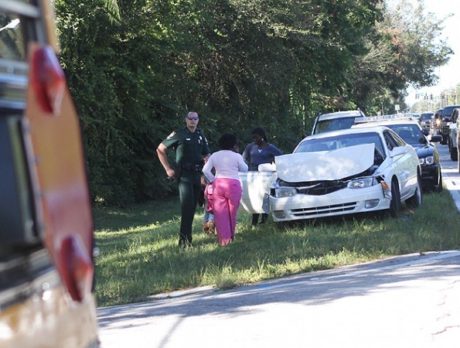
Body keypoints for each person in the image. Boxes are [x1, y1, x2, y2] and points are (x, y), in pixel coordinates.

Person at [156, 111, 210, 248]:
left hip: (198, 175)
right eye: (190, 118)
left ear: (198, 120)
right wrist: (168, 169)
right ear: (186, 120)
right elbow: (160, 149)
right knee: (186, 207)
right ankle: (184, 242)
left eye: (195, 118)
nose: (192, 121)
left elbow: (206, 155)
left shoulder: (200, 135)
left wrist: (206, 174)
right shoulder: (179, 133)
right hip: (184, 175)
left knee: (192, 208)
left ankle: (187, 239)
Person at [202, 133, 248, 246]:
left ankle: (224, 240)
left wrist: (213, 180)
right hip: (233, 185)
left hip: (218, 184)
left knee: (221, 214)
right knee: (231, 213)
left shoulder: (214, 155)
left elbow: (205, 170)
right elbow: (245, 169)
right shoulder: (236, 156)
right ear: (233, 144)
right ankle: (231, 236)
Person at [242, 127, 283, 225]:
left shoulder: (270, 147)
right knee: (254, 197)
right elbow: (244, 159)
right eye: (253, 138)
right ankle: (254, 221)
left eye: (256, 138)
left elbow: (281, 156)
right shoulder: (250, 147)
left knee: (264, 198)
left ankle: (264, 220)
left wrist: (273, 163)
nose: (254, 140)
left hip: (265, 177)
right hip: (253, 176)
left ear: (262, 137)